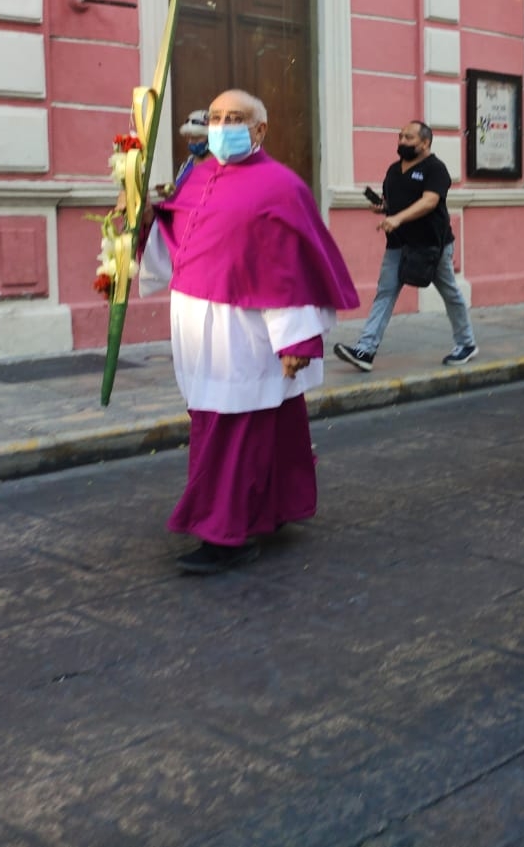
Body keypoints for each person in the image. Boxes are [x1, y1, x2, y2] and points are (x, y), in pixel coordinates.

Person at [139, 89, 360, 574]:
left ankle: (224, 534)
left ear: (260, 129)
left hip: (246, 332)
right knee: (251, 424)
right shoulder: (195, 177)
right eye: (215, 117)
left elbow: (290, 267)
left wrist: (298, 339)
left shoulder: (281, 187)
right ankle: (270, 509)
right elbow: (175, 241)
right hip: (198, 329)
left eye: (235, 118)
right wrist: (138, 229)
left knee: (231, 431)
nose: (222, 125)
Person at [333, 121, 477, 372]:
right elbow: (394, 202)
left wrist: (397, 218)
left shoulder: (436, 169)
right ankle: (365, 350)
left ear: (425, 143)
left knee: (449, 292)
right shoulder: (393, 170)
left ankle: (466, 343)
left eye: (409, 138)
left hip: (432, 245)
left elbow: (429, 201)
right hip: (399, 244)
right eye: (400, 136)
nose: (402, 141)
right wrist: (385, 208)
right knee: (385, 292)